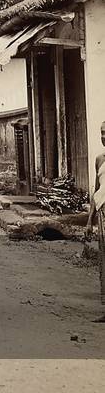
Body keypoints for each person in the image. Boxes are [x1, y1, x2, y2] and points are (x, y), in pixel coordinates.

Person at [84, 119, 105, 318]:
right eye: (102, 133)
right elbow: (97, 191)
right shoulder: (99, 159)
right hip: (102, 214)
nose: (104, 137)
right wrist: (90, 221)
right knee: (104, 262)